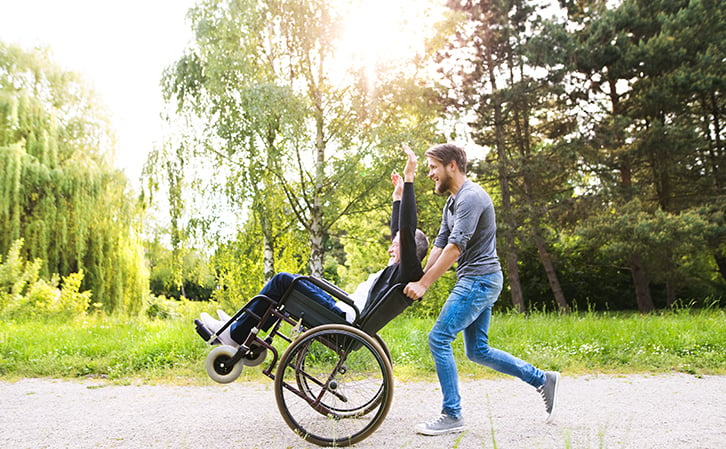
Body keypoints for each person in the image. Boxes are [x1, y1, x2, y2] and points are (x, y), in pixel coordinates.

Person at [200, 144, 428, 347]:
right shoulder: (396, 270)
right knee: (286, 290)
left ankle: (234, 335)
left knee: (283, 281)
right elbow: (401, 233)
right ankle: (240, 329)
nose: (391, 247)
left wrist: (410, 178)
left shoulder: (406, 271)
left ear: (409, 252)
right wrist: (397, 197)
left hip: (343, 319)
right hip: (342, 311)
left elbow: (406, 231)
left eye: (397, 245)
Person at [403, 143, 560, 436]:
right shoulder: (452, 202)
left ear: (452, 165)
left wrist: (424, 284)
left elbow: (455, 248)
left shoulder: (471, 198)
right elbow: (439, 244)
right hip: (479, 279)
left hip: (479, 279)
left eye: (433, 167)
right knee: (477, 351)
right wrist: (417, 279)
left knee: (438, 338)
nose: (429, 173)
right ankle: (542, 379)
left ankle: (452, 414)